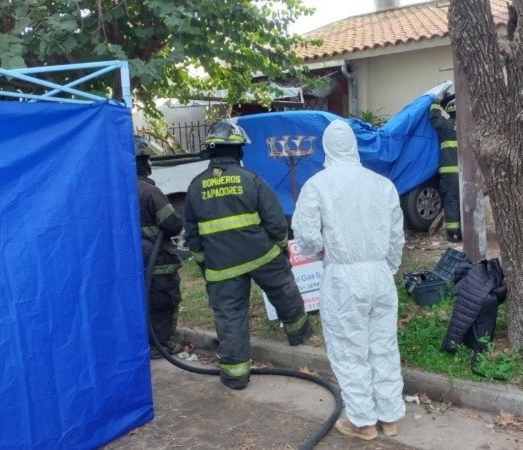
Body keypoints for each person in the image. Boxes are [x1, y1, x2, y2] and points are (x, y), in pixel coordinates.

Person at [292, 120, 406, 440]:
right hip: (379, 274)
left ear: (327, 147)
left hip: (343, 275)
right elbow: (396, 235)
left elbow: (305, 235)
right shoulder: (382, 184)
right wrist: (387, 267)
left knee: (349, 348)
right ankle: (389, 417)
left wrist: (318, 251)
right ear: (354, 146)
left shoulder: (317, 185)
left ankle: (362, 422)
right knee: (383, 346)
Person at [182, 119, 313, 390]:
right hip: (262, 255)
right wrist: (281, 247)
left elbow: (192, 235)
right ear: (237, 150)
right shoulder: (250, 179)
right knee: (284, 292)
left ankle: (235, 375)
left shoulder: (195, 186)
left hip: (222, 266)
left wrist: (205, 264)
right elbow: (275, 220)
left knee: (229, 316)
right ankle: (298, 334)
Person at [136, 136, 184, 359]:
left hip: (130, 258)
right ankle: (160, 345)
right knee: (162, 298)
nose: (150, 163)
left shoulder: (112, 190)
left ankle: (142, 344)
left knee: (139, 299)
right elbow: (172, 225)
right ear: (140, 162)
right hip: (154, 257)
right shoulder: (148, 191)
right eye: (147, 158)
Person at [429, 91, 462, 242]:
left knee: (452, 202)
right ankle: (469, 233)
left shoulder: (446, 125)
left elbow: (434, 117)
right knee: (469, 202)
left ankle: (453, 234)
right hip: (468, 175)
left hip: (451, 175)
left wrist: (437, 101)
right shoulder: (469, 125)